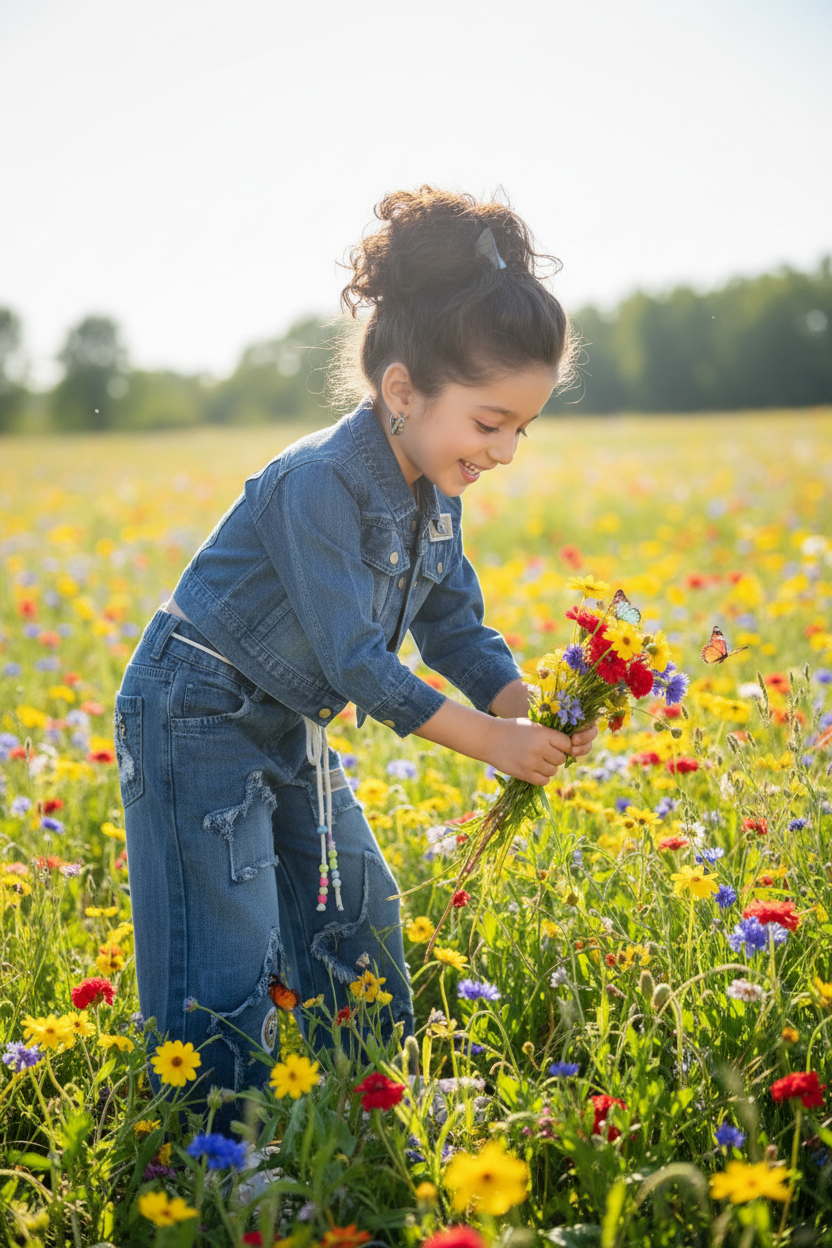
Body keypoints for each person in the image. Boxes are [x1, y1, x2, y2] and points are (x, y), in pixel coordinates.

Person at [114, 186, 597, 1117]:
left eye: (520, 431)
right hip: (195, 711)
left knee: (357, 909)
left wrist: (516, 702)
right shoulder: (318, 482)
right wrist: (489, 744)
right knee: (229, 932)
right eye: (489, 424)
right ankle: (218, 1137)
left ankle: (369, 1086)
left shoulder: (434, 487)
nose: (503, 451)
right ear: (404, 390)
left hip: (284, 718)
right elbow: (355, 664)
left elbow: (453, 624)